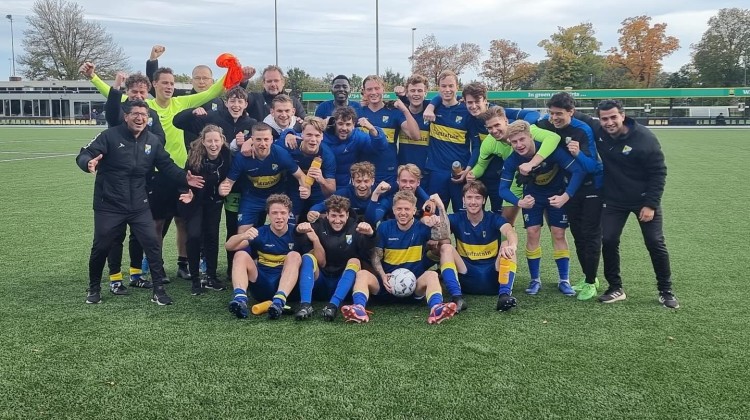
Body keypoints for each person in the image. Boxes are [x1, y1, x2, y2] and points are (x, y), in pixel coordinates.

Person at [76, 100, 203, 305]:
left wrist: (184, 178)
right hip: (109, 203)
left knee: (152, 243)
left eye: (144, 115)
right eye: (135, 114)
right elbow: (85, 153)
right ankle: (94, 288)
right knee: (101, 246)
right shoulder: (109, 136)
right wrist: (87, 163)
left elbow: (167, 165)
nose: (140, 118)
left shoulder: (152, 141)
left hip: (139, 204)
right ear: (125, 116)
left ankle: (159, 291)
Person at [79, 63, 166, 290]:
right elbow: (111, 116)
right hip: (114, 187)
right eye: (134, 91)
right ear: (127, 93)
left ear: (148, 93)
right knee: (115, 235)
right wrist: (114, 88)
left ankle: (136, 274)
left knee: (139, 234)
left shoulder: (152, 114)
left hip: (141, 183)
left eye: (142, 91)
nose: (138, 95)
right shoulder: (119, 110)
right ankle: (115, 278)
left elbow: (159, 140)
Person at [590, 100, 678, 308]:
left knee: (655, 242)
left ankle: (665, 291)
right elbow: (569, 114)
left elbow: (659, 173)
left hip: (643, 200)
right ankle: (615, 288)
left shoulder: (644, 139)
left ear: (623, 115)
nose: (609, 122)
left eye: (613, 117)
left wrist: (650, 205)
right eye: (604, 118)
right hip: (614, 199)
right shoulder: (598, 130)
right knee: (609, 240)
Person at [173, 86, 257, 280]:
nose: (236, 105)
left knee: (233, 226)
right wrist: (192, 111)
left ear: (246, 104)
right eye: (232, 101)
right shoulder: (212, 117)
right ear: (226, 103)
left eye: (240, 102)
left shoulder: (251, 123)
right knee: (208, 228)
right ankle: (204, 266)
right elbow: (178, 121)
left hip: (238, 186)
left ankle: (232, 268)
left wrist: (250, 141)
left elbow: (269, 136)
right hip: (214, 185)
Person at [340, 191, 458, 324]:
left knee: (432, 275)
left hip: (414, 285)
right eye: (399, 209)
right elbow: (376, 256)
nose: (403, 212)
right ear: (393, 210)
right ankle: (359, 309)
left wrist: (441, 207)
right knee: (362, 274)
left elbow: (444, 235)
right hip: (387, 285)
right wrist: (383, 275)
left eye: (407, 209)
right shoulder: (385, 227)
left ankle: (436, 309)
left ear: (414, 210)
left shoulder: (421, 227)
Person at [499, 121, 585, 297]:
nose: (519, 145)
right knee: (532, 232)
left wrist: (565, 196)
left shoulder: (550, 150)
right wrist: (519, 202)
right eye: (514, 142)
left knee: (559, 233)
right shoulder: (513, 159)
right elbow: (502, 189)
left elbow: (578, 170)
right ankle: (535, 279)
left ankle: (564, 280)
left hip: (557, 196)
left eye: (522, 139)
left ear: (531, 136)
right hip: (533, 198)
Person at [536, 92, 604, 301]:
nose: (555, 118)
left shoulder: (582, 130)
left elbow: (593, 166)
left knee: (590, 236)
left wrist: (578, 155)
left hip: (592, 188)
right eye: (552, 113)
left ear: (571, 112)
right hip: (569, 188)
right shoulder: (547, 124)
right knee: (577, 235)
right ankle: (587, 276)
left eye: (559, 114)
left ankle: (591, 282)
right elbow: (528, 123)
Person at [468, 106, 560, 225]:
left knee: (555, 226)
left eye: (497, 125)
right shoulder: (489, 142)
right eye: (490, 127)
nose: (494, 130)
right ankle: (510, 244)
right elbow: (481, 165)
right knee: (506, 221)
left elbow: (553, 138)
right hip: (516, 180)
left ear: (506, 121)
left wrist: (532, 163)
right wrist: (471, 174)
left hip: (546, 180)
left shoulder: (525, 130)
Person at [436, 181, 520, 311]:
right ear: (463, 200)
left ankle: (504, 295)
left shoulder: (493, 218)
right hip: (466, 275)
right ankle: (457, 298)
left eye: (477, 197)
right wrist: (438, 210)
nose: (473, 202)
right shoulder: (457, 218)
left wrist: (513, 246)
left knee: (506, 244)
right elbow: (440, 232)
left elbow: (509, 231)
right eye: (469, 197)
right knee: (446, 247)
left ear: (484, 200)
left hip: (494, 277)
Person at [294, 195, 377, 321]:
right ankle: (305, 305)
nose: (337, 220)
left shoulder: (356, 227)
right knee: (307, 257)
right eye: (333, 215)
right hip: (320, 282)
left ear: (347, 215)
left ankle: (333, 306)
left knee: (355, 261)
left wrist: (371, 234)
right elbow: (299, 243)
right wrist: (299, 231)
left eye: (341, 216)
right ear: (327, 214)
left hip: (344, 285)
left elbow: (367, 249)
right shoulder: (317, 226)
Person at [225, 194, 304, 319]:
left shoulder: (297, 232)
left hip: (288, 289)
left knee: (294, 255)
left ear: (289, 214)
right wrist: (243, 235)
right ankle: (240, 299)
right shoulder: (260, 232)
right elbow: (229, 246)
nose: (279, 217)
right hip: (261, 286)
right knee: (240, 254)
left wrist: (313, 236)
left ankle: (279, 302)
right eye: (275, 213)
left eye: (283, 213)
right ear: (268, 215)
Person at [219, 123, 310, 230]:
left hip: (277, 196)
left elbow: (301, 176)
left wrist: (307, 188)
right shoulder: (242, 157)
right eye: (258, 139)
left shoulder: (280, 154)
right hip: (252, 197)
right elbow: (228, 182)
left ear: (271, 139)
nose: (263, 143)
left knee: (287, 229)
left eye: (266, 139)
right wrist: (223, 188)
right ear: (252, 139)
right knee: (242, 233)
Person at [178, 125, 230, 295]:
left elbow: (233, 175)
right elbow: (187, 181)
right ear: (203, 141)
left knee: (212, 238)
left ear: (222, 140)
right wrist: (188, 192)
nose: (213, 144)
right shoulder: (195, 158)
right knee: (193, 236)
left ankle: (211, 277)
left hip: (214, 203)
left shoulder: (227, 155)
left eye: (216, 140)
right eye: (209, 141)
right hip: (195, 202)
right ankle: (195, 279)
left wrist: (226, 185)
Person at [422, 70, 479, 211]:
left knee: (463, 216)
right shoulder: (432, 108)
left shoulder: (466, 111)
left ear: (457, 86)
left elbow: (477, 146)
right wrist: (430, 106)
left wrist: (467, 170)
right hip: (436, 172)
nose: (447, 90)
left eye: (451, 86)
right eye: (443, 86)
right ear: (438, 88)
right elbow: (409, 100)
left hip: (459, 173)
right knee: (431, 214)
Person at [358, 75, 420, 185]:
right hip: (363, 173)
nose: (373, 92)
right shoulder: (358, 112)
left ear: (383, 89)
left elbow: (415, 135)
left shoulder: (394, 111)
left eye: (377, 88)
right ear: (364, 91)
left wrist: (405, 110)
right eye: (369, 89)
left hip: (388, 171)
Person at [278, 116, 337, 221]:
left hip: (317, 190)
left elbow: (331, 190)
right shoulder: (291, 145)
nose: (313, 140)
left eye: (317, 136)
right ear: (301, 135)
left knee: (324, 220)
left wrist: (322, 180)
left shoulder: (327, 155)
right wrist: (249, 142)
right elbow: (269, 144)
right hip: (293, 188)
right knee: (287, 221)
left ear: (322, 137)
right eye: (309, 135)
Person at [322, 106, 387, 186]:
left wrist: (372, 129)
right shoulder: (322, 136)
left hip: (347, 184)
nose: (344, 128)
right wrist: (320, 125)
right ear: (335, 123)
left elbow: (380, 147)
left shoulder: (357, 136)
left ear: (353, 125)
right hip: (325, 183)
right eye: (340, 124)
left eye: (348, 124)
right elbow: (304, 137)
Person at [307, 161, 378, 223]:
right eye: (358, 181)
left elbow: (374, 220)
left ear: (373, 181)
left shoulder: (379, 193)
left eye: (366, 181)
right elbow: (321, 205)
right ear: (352, 181)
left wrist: (376, 195)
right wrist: (313, 212)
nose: (362, 185)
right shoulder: (344, 193)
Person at [393, 74, 431, 173]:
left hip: (426, 171)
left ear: (426, 93)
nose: (416, 94)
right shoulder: (399, 113)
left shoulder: (432, 111)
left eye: (420, 91)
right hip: (404, 172)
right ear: (406, 93)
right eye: (412, 91)